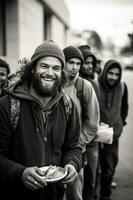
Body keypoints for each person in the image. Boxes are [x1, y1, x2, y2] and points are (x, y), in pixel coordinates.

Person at [0, 40, 82, 200]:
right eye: (44, 66)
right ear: (32, 70)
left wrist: (72, 164)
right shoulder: (7, 106)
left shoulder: (68, 106)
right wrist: (20, 173)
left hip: (55, 194)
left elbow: (73, 147)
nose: (50, 73)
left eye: (56, 68)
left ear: (62, 73)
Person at [63, 45, 100, 200]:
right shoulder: (52, 84)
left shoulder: (84, 86)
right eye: (71, 62)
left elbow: (92, 123)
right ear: (63, 62)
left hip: (76, 151)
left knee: (74, 193)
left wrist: (77, 143)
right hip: (53, 149)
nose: (75, 67)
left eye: (78, 64)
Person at [93, 59, 128, 200]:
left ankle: (105, 195)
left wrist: (120, 123)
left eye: (116, 74)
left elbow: (124, 107)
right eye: (110, 73)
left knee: (110, 167)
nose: (113, 77)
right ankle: (92, 193)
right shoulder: (95, 85)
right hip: (95, 134)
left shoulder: (123, 86)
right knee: (94, 168)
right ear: (105, 72)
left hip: (112, 135)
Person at [79, 44, 99, 200]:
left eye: (92, 63)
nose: (89, 66)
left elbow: (97, 113)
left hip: (91, 140)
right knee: (77, 180)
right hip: (75, 140)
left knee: (91, 177)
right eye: (86, 62)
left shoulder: (94, 83)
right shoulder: (74, 84)